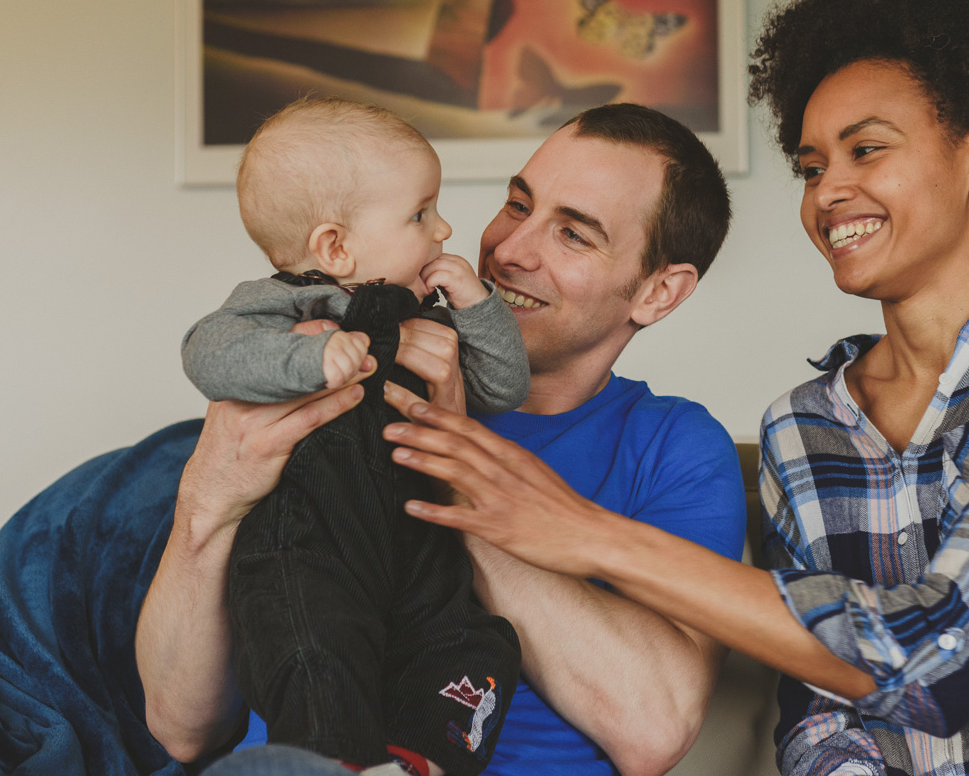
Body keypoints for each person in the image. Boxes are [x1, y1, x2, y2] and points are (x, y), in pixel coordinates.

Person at [379, 0, 969, 775]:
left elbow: (942, 654)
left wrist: (580, 531)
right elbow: (821, 722)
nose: (829, 191)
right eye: (810, 167)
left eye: (866, 150)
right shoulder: (805, 428)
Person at [137, 103, 746, 776]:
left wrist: (451, 464)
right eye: (519, 203)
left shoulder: (673, 446)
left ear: (659, 291)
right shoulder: (320, 367)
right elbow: (180, 729)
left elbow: (652, 725)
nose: (509, 250)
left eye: (573, 233)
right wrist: (206, 504)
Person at [182, 97, 529, 774]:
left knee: (480, 646)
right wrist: (309, 360)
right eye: (421, 214)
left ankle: (414, 760)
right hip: (311, 547)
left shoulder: (430, 313)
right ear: (336, 247)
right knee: (317, 655)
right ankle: (332, 762)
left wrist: (478, 308)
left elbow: (504, 387)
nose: (444, 228)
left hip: (418, 549)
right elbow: (207, 352)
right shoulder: (286, 304)